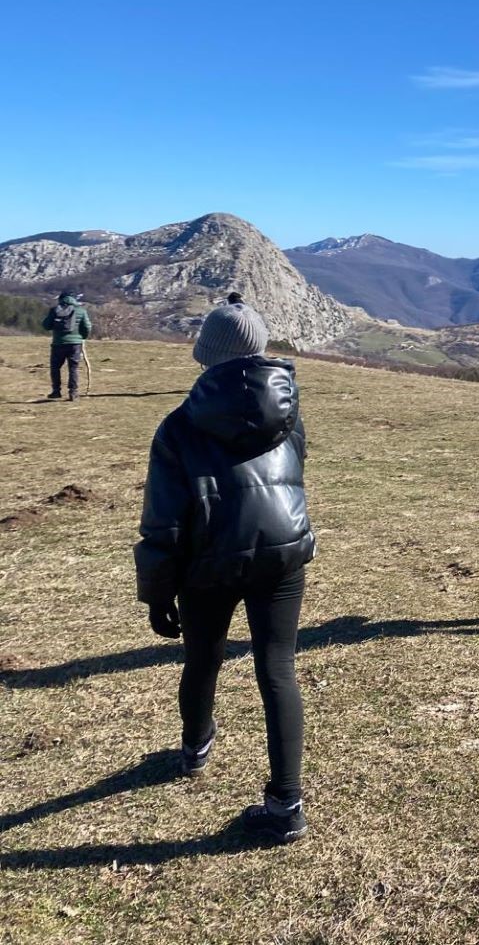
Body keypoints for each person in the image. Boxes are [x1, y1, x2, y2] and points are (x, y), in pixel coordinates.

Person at [134, 303, 316, 843]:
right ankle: (286, 803)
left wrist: (156, 592)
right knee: (277, 668)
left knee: (203, 658)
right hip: (282, 554)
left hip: (207, 562)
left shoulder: (179, 425)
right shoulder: (289, 413)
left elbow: (163, 522)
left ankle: (195, 747)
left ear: (206, 356)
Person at [41, 292, 91, 401]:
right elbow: (87, 327)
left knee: (55, 368)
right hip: (75, 344)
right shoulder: (81, 311)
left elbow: (46, 325)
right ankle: (73, 392)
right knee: (73, 368)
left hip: (58, 344)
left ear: (61, 299)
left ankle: (56, 391)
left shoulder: (55, 310)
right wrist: (82, 337)